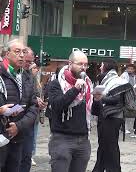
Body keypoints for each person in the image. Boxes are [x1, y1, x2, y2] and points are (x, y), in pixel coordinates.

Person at [47, 50, 93, 172]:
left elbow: (93, 111)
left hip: (83, 139)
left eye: (86, 64)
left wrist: (98, 99)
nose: (83, 68)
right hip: (62, 139)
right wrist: (75, 89)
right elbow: (57, 105)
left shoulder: (88, 85)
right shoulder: (56, 83)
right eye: (80, 64)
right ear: (70, 63)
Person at [0, 39, 38, 172]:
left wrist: (19, 126)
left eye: (23, 51)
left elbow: (33, 107)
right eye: (17, 52)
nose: (22, 55)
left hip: (18, 137)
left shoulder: (27, 77)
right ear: (7, 54)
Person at [92, 58, 130, 172]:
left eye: (101, 65)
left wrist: (101, 97)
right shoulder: (107, 79)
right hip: (106, 117)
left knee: (110, 146)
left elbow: (116, 99)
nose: (100, 67)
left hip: (112, 118)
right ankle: (98, 168)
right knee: (104, 145)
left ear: (106, 66)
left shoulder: (116, 80)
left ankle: (113, 169)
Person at [120, 63, 136, 134]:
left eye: (131, 69)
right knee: (125, 111)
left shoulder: (134, 76)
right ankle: (124, 127)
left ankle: (127, 127)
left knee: (130, 111)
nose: (130, 70)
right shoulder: (124, 75)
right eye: (128, 69)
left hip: (132, 95)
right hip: (125, 95)